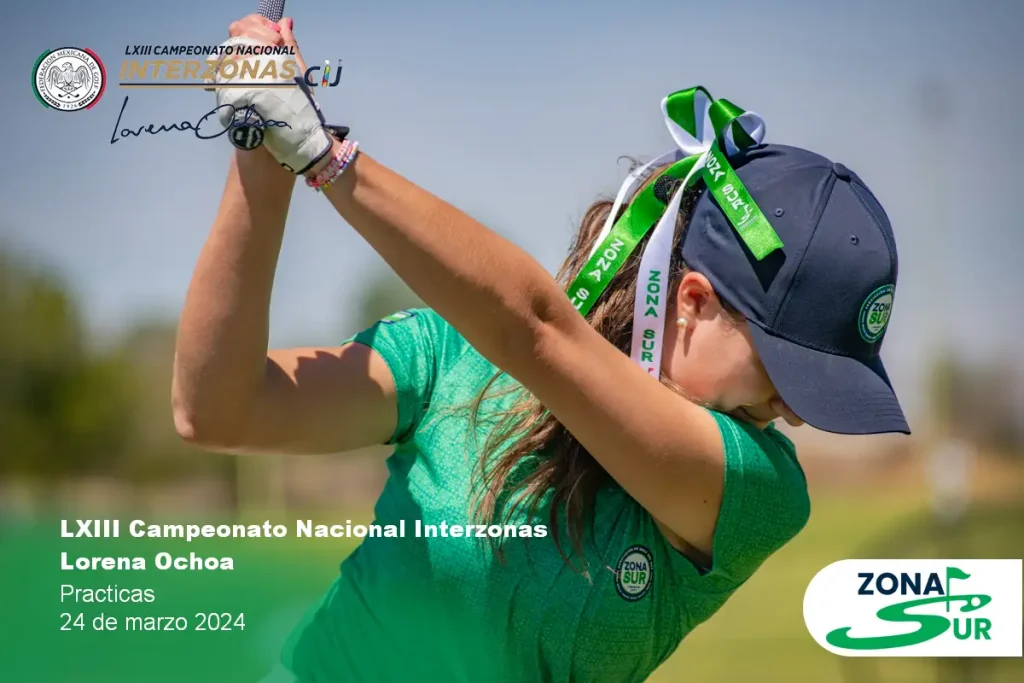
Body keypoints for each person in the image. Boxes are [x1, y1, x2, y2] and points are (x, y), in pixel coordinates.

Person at [172, 13, 910, 682]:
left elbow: (533, 330)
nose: (795, 413)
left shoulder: (761, 490)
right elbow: (215, 410)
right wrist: (262, 150)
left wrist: (320, 153)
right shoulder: (450, 353)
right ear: (692, 303)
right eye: (786, 371)